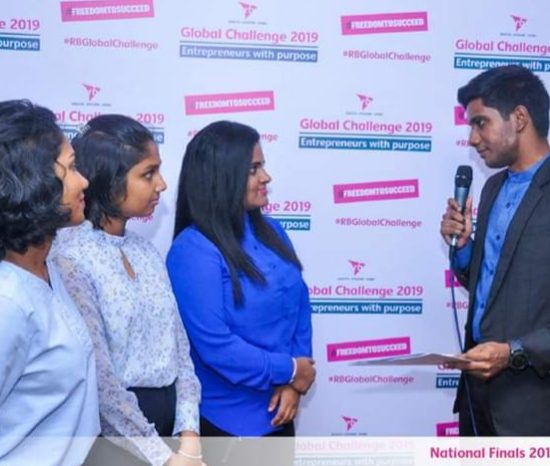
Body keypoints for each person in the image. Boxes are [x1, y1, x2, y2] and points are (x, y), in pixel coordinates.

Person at [50, 115, 202, 466]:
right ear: (109, 178)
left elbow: (180, 351)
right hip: (114, 441)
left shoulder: (146, 251)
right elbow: (100, 380)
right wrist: (161, 457)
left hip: (171, 433)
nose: (162, 184)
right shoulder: (70, 258)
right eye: (148, 174)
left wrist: (189, 439)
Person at [166, 120, 315, 465]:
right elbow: (216, 345)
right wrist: (289, 370)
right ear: (222, 176)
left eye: (262, 166)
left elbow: (299, 303)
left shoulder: (271, 230)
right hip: (227, 426)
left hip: (280, 412)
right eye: (253, 169)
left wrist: (295, 379)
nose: (266, 177)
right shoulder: (193, 250)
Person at [441, 65, 550, 435]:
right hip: (477, 399)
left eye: (480, 123)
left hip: (534, 407)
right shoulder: (491, 189)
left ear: (519, 118)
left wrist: (514, 351)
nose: (473, 139)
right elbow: (492, 285)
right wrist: (463, 247)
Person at [0, 99, 99, 465]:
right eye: (70, 168)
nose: (83, 181)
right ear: (34, 181)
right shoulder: (8, 302)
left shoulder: (47, 267)